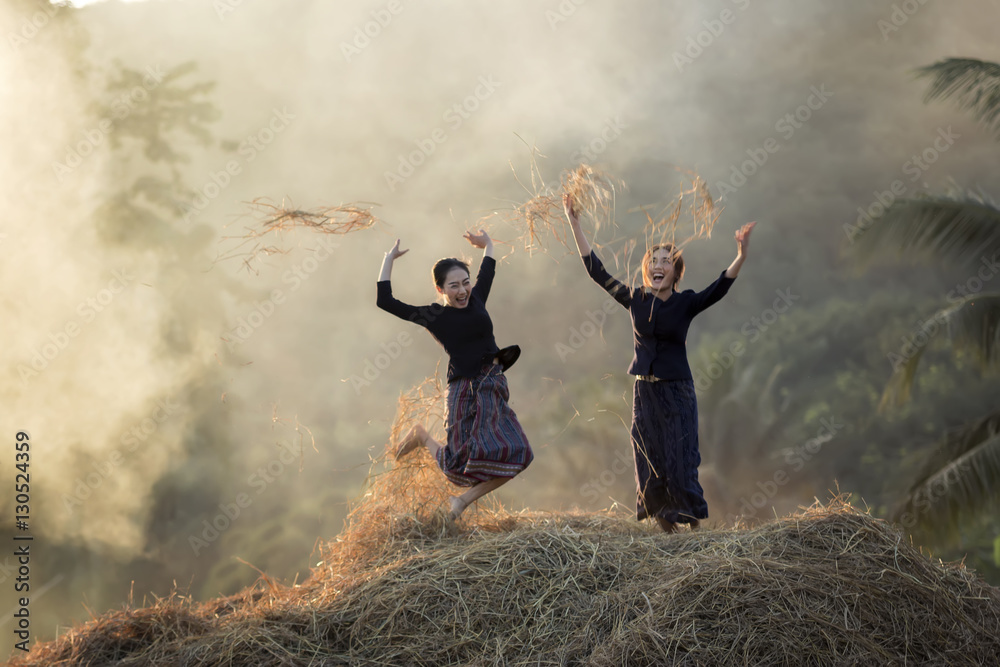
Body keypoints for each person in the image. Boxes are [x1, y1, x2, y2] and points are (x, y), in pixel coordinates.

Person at [563, 194, 755, 533]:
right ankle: (668, 535)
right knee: (648, 461)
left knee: (680, 461)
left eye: (666, 260)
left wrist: (740, 255)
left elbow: (719, 287)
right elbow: (597, 271)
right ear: (647, 268)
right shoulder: (634, 298)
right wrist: (574, 223)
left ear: (675, 270)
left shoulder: (686, 303)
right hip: (644, 392)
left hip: (678, 392)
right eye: (654, 259)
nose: (659, 264)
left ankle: (695, 532)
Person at [376, 229, 533, 520]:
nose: (462, 291)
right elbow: (386, 301)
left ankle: (460, 502)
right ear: (440, 290)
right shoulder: (434, 316)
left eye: (465, 283)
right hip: (463, 390)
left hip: (493, 385)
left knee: (520, 454)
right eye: (453, 286)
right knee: (457, 465)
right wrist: (388, 260)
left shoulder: (477, 299)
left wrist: (488, 244)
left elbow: (488, 268)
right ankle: (422, 436)